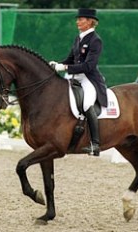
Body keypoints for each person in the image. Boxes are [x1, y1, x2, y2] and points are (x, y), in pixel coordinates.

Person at [49, 8, 107, 156]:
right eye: (78, 19)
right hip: (75, 76)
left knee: (87, 103)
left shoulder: (95, 40)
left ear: (89, 22)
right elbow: (70, 59)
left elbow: (89, 66)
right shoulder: (78, 38)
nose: (77, 21)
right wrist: (56, 64)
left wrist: (65, 67)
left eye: (81, 19)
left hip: (89, 79)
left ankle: (95, 144)